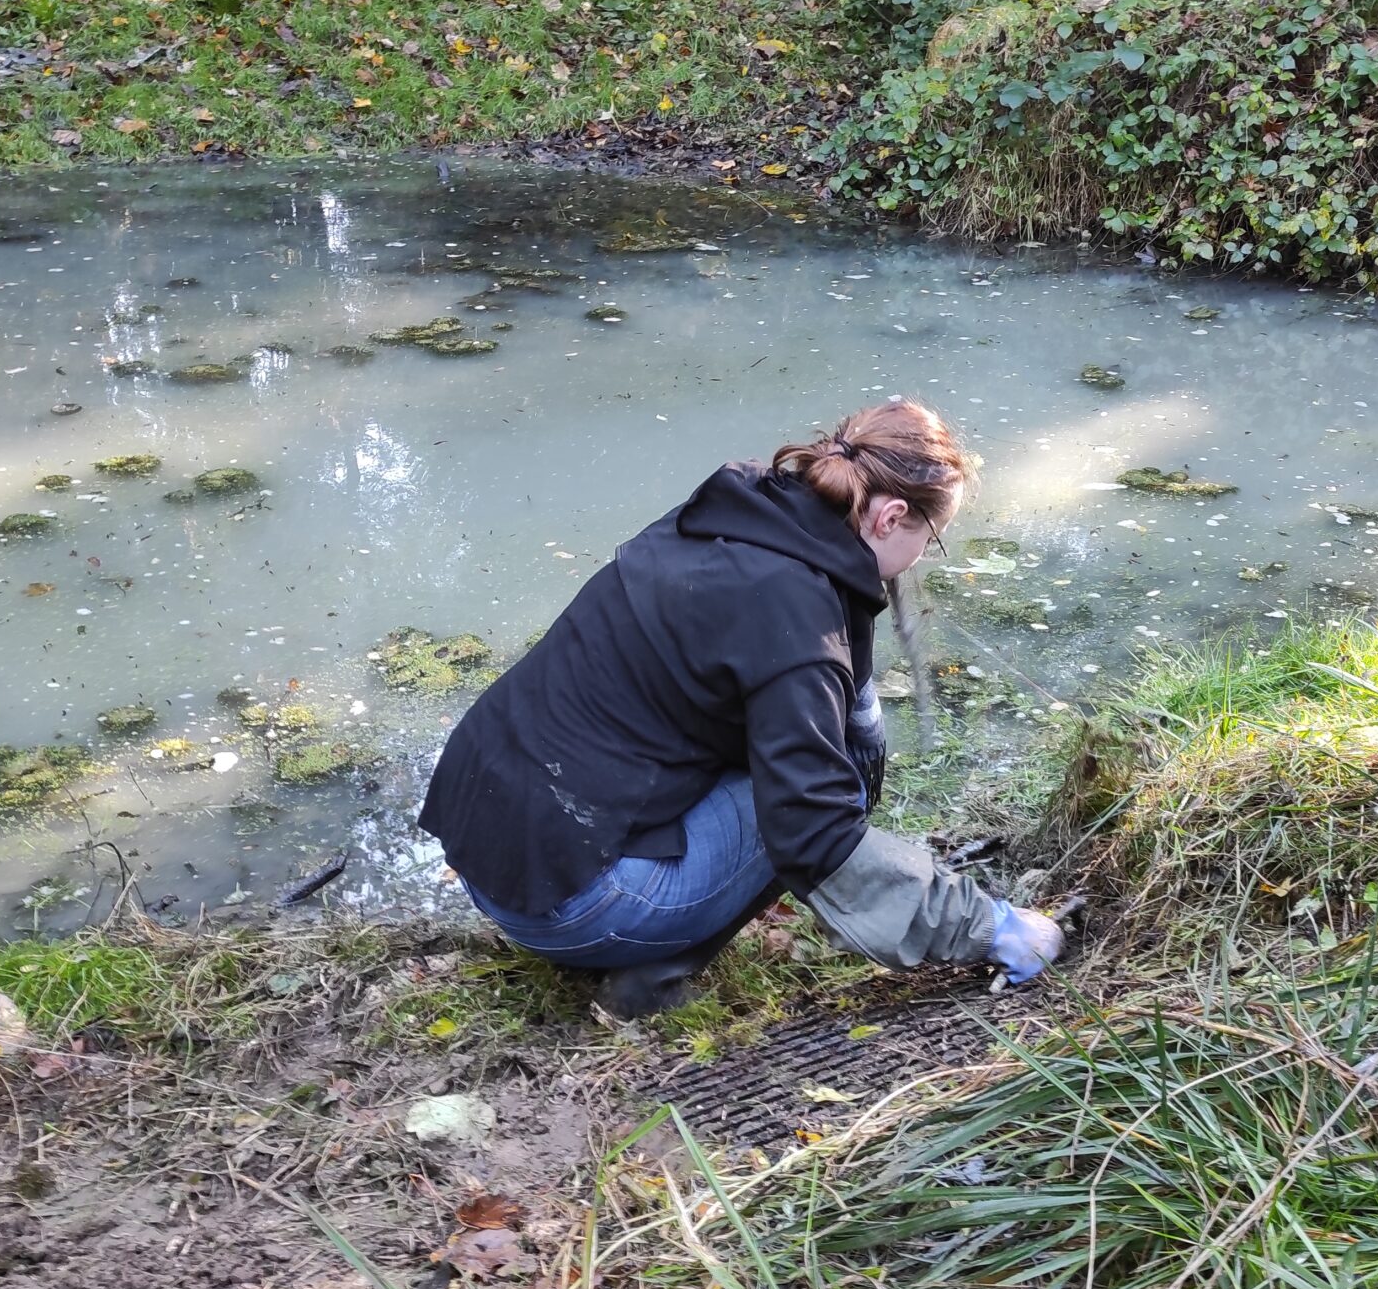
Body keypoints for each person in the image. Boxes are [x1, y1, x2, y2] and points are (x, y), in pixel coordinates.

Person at [417, 401, 1066, 1018]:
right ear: (889, 517)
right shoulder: (798, 630)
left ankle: (636, 914)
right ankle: (656, 969)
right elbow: (816, 834)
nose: (924, 556)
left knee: (806, 762)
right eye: (933, 537)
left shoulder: (733, 513)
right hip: (572, 905)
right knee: (815, 792)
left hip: (486, 850)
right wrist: (994, 928)